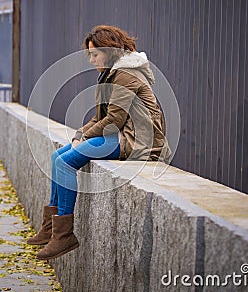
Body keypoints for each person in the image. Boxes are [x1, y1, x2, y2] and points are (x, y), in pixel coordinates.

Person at [29, 25, 172, 260]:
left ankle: (63, 236)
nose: (92, 60)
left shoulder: (126, 74)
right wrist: (79, 135)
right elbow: (100, 117)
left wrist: (84, 138)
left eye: (95, 54)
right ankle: (51, 229)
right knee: (57, 157)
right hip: (119, 135)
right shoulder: (110, 73)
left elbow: (115, 119)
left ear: (111, 50)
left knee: (65, 163)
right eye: (90, 55)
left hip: (137, 141)